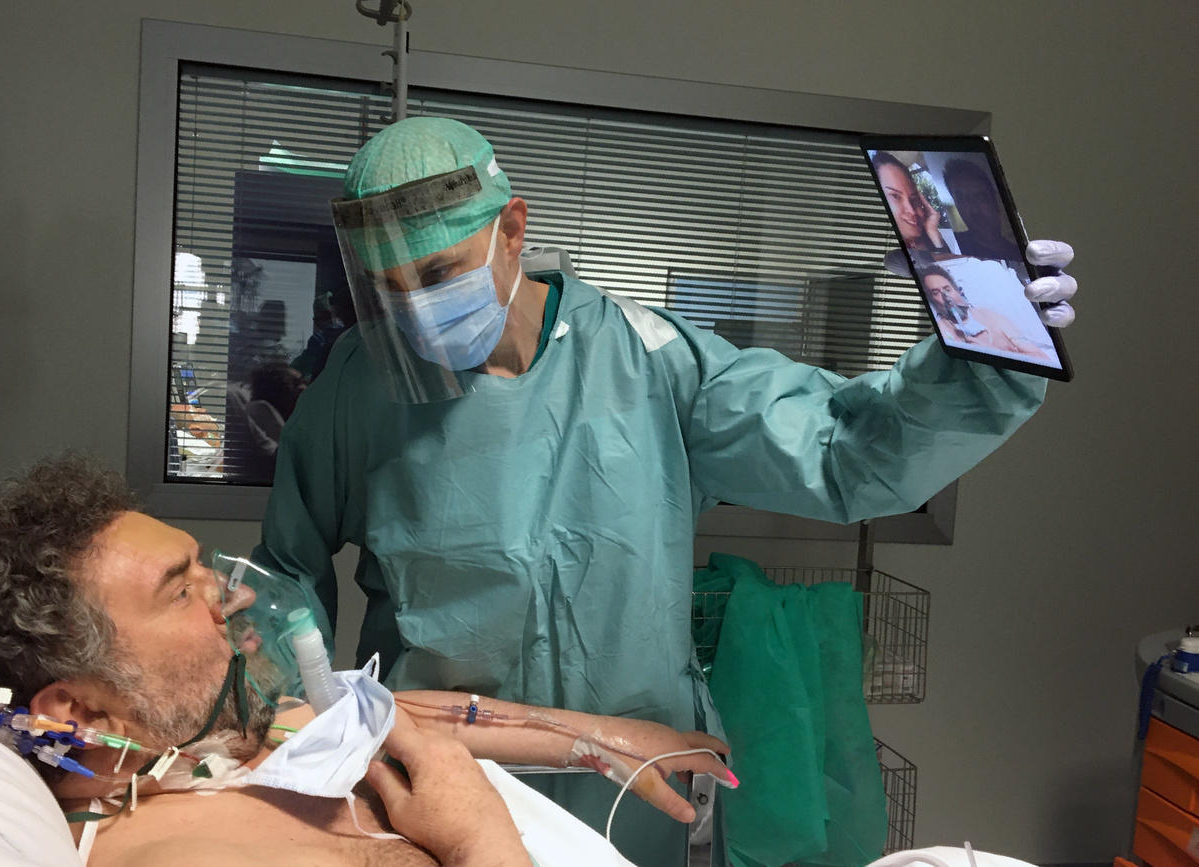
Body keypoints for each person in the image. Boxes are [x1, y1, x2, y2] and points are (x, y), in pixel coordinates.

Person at [252, 117, 1079, 865]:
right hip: (447, 781)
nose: (415, 311)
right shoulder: (357, 387)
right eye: (389, 287)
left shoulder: (646, 360)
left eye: (437, 273)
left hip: (633, 783)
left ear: (513, 229)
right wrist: (285, 715)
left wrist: (982, 351)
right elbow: (286, 574)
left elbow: (846, 451)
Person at [0, 454, 732, 867]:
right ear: (79, 714)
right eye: (180, 591)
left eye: (204, 567)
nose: (231, 596)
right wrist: (479, 836)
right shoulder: (177, 855)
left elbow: (390, 715)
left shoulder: (209, 746)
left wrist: (601, 739)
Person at [921, 264, 1053, 361]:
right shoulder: (943, 332)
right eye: (936, 292)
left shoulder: (990, 316)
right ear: (931, 300)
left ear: (958, 290)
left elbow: (1041, 358)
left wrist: (994, 351)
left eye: (947, 289)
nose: (946, 297)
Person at [941, 157, 1025, 264]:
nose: (973, 208)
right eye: (962, 199)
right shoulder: (951, 246)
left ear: (994, 200)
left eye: (980, 197)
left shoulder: (1020, 254)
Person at [871, 150, 952, 256]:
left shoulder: (929, 239)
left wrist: (934, 234)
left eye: (914, 199)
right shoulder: (894, 254)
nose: (911, 211)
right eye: (895, 196)